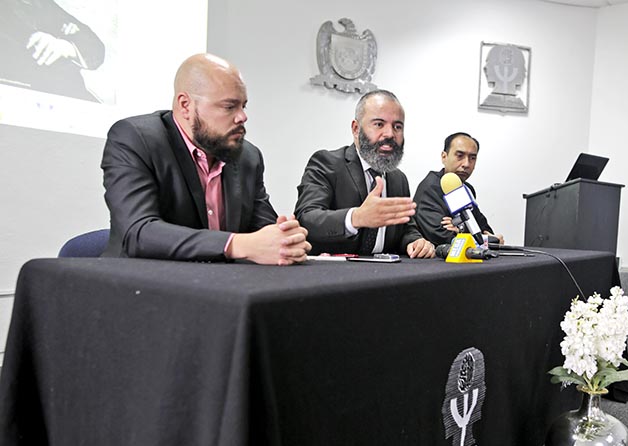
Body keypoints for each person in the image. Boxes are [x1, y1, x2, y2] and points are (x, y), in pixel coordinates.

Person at [101, 53, 310, 265]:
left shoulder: (248, 156)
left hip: (219, 287)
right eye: (229, 107)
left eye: (243, 106)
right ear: (185, 105)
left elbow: (262, 227)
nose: (242, 117)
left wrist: (286, 238)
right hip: (140, 283)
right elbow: (138, 232)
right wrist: (235, 244)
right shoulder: (134, 139)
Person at [294, 89, 435, 258]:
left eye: (397, 126)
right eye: (379, 124)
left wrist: (416, 241)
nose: (390, 134)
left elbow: (406, 228)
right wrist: (356, 217)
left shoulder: (398, 178)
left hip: (387, 276)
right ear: (356, 129)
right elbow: (307, 218)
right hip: (332, 274)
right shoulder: (327, 162)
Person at [0, 0, 105, 101]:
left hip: (74, 97)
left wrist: (66, 47)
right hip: (22, 99)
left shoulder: (43, 3)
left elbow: (97, 49)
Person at [413, 132, 504, 245]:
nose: (466, 164)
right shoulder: (430, 187)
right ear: (444, 157)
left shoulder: (466, 188)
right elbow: (441, 237)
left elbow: (484, 228)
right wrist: (481, 237)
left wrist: (461, 229)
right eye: (460, 156)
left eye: (472, 158)